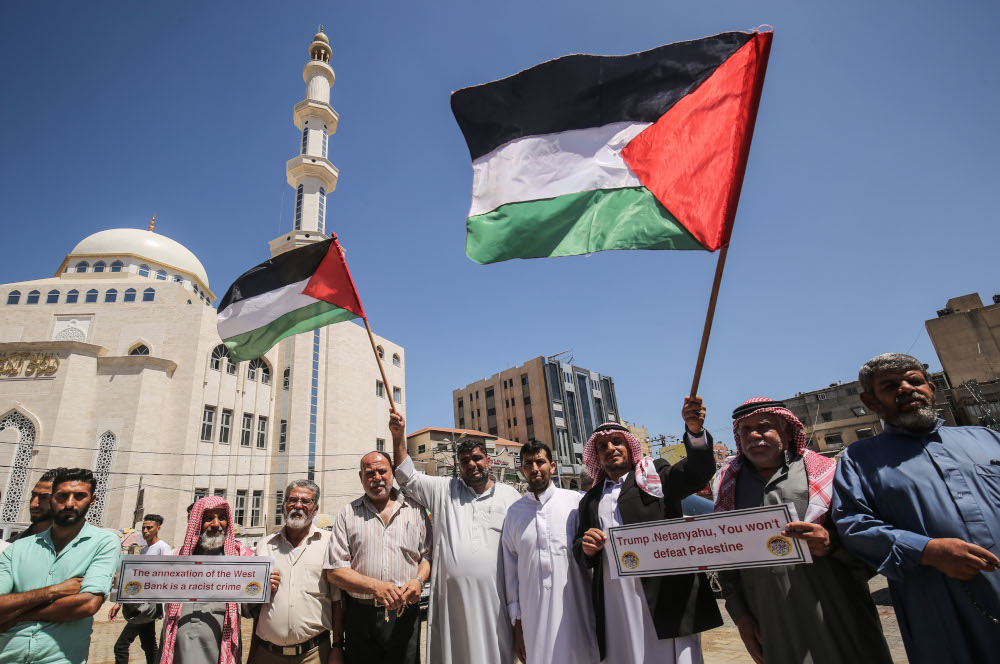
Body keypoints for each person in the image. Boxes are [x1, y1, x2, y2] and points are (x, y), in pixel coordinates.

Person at [832, 353, 1000, 664]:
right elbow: (853, 524)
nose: (907, 388)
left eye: (915, 381)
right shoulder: (858, 459)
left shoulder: (988, 439)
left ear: (931, 387)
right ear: (872, 402)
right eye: (891, 385)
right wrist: (928, 551)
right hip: (936, 601)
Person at [715, 397, 893, 664]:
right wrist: (741, 617)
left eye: (764, 426)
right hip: (772, 622)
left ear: (786, 430)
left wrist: (831, 544)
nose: (754, 435)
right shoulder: (729, 486)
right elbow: (727, 560)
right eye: (745, 430)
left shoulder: (829, 474)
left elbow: (870, 541)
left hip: (837, 612)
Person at [573, 398, 722, 664]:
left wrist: (695, 432)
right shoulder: (590, 500)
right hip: (616, 602)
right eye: (603, 446)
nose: (611, 449)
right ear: (595, 455)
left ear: (630, 448)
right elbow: (580, 550)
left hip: (665, 597)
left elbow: (698, 471)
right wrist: (586, 547)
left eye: (617, 442)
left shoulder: (655, 475)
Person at [390, 411, 520, 664]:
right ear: (458, 466)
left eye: (477, 458)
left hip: (496, 603)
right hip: (451, 604)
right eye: (464, 461)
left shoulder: (510, 496)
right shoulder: (444, 490)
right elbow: (406, 477)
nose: (472, 464)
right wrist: (398, 437)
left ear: (489, 461)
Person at [123, 496, 277, 664]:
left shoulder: (240, 561)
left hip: (221, 652)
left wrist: (265, 586)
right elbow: (153, 610)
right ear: (197, 523)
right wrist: (131, 590)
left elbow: (248, 610)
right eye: (209, 518)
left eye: (222, 518)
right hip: (176, 653)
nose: (217, 524)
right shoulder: (174, 559)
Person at [0, 468, 121, 664]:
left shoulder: (103, 542)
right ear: (52, 499)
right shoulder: (18, 548)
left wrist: (18, 614)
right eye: (62, 496)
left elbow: (87, 604)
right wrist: (54, 591)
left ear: (92, 500)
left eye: (79, 496)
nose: (70, 503)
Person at [327, 452, 431, 664]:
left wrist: (418, 580)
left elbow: (428, 557)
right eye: (370, 473)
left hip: (405, 614)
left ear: (392, 473)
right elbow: (335, 571)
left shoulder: (416, 509)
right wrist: (375, 586)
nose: (377, 477)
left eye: (382, 471)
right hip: (360, 616)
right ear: (361, 477)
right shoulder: (347, 514)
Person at [501, 440, 598, 664]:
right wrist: (518, 626)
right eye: (528, 464)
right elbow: (511, 572)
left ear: (552, 466)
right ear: (521, 470)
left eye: (540, 462)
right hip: (534, 618)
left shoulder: (576, 502)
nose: (535, 468)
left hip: (577, 610)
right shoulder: (514, 514)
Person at [254, 480, 344, 664]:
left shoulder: (329, 544)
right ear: (283, 506)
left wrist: (337, 647)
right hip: (268, 653)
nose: (298, 505)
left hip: (314, 653)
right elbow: (253, 605)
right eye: (293, 500)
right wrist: (259, 588)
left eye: (306, 501)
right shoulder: (265, 545)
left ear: (315, 508)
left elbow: (337, 601)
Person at [109, 514, 172, 664]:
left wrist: (163, 606)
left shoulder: (163, 548)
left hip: (147, 608)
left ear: (158, 528)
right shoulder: (144, 551)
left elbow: (167, 577)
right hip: (138, 603)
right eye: (144, 527)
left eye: (149, 527)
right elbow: (137, 581)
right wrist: (119, 602)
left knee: (121, 646)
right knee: (149, 645)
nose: (145, 531)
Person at [6, 467, 63, 542]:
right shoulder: (14, 545)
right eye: (33, 496)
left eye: (44, 497)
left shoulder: (76, 544)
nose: (33, 504)